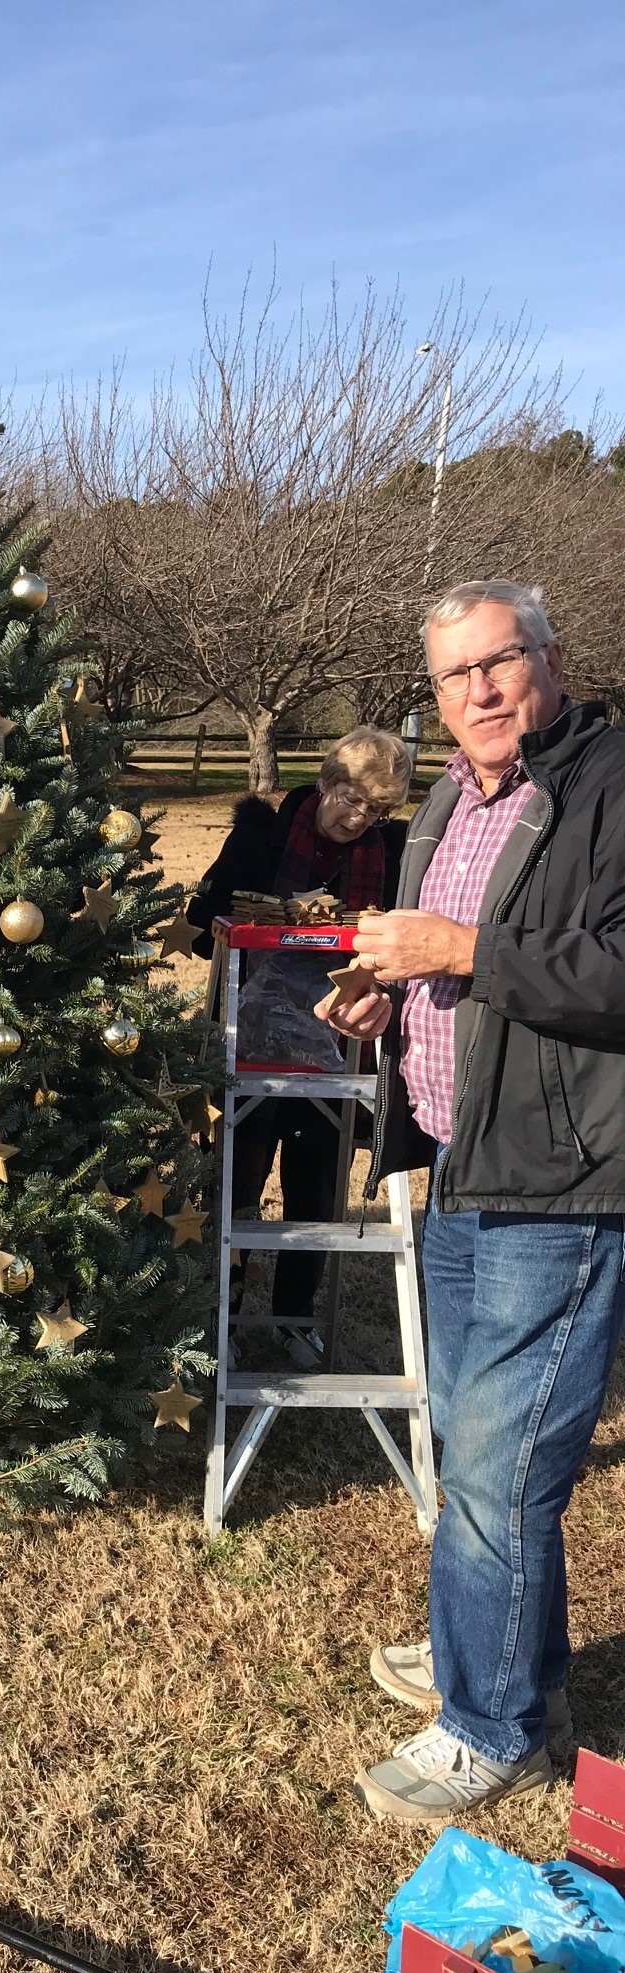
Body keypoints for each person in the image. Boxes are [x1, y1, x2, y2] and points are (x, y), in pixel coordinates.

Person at [315, 582, 625, 1821]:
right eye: (454, 677)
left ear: (549, 660)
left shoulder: (607, 783)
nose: (481, 692)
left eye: (501, 663)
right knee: (478, 1445)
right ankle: (499, 1656)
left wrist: (459, 956)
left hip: (566, 1180)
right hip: (455, 1159)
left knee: (503, 1463)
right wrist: (392, 998)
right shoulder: (451, 795)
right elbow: (447, 966)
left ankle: (489, 1724)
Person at [187, 729, 412, 1365]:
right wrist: (263, 928)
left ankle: (294, 1315)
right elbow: (206, 929)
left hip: (338, 1046)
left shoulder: (391, 853)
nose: (357, 817)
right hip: (249, 1039)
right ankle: (222, 1311)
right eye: (348, 798)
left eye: (374, 809)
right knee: (238, 1175)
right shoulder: (260, 835)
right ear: (323, 784)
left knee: (317, 1180)